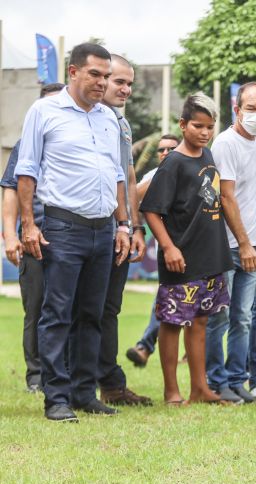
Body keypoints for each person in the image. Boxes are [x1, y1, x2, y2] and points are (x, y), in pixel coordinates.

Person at [15, 43, 130, 421]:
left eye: (105, 74)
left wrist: (123, 224)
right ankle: (57, 399)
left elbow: (116, 174)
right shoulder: (44, 111)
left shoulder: (108, 118)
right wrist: (29, 224)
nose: (102, 82)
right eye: (94, 74)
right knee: (57, 314)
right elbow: (27, 170)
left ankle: (84, 393)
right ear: (74, 72)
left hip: (103, 229)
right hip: (62, 227)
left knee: (91, 315)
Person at [139, 93, 234, 405]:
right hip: (181, 257)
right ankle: (171, 391)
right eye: (198, 126)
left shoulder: (207, 156)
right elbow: (151, 209)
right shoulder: (173, 164)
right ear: (182, 125)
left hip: (211, 254)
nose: (204, 132)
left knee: (201, 321)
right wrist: (168, 248)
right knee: (172, 321)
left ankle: (200, 388)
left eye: (210, 127)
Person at [204, 82, 256, 404]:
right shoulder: (226, 144)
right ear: (237, 109)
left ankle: (236, 380)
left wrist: (252, 244)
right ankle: (216, 382)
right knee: (219, 316)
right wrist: (243, 244)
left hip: (254, 244)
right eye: (252, 109)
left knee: (243, 317)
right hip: (229, 246)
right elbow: (226, 197)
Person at [94, 53, 150, 407]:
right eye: (119, 81)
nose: (125, 89)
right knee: (83, 309)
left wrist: (132, 226)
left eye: (130, 83)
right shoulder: (83, 119)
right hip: (88, 227)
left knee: (109, 309)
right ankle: (71, 384)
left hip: (120, 231)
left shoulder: (122, 125)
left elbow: (128, 178)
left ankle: (111, 385)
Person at [1, 82, 64, 394]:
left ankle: (65, 370)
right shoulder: (26, 143)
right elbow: (10, 189)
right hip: (33, 239)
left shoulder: (74, 141)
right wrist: (10, 236)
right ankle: (36, 374)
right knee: (36, 307)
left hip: (71, 239)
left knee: (69, 308)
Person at [124, 134, 181, 368]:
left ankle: (146, 347)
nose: (165, 153)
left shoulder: (196, 170)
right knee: (167, 299)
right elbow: (132, 198)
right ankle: (145, 347)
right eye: (161, 150)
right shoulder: (153, 176)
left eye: (171, 149)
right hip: (169, 251)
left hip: (198, 247)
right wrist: (161, 174)